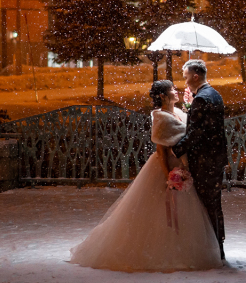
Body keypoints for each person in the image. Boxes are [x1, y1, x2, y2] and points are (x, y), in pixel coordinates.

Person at [69, 80, 222, 272]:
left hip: (182, 166)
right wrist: (169, 176)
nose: (176, 91)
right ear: (163, 96)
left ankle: (180, 249)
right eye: (172, 90)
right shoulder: (161, 118)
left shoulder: (178, 114)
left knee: (184, 213)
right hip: (166, 168)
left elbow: (189, 128)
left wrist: (190, 105)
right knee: (158, 212)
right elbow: (161, 152)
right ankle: (159, 251)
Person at [172, 59, 228, 261]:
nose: (185, 80)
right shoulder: (213, 94)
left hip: (205, 160)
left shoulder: (202, 99)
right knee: (214, 204)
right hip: (216, 158)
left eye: (186, 76)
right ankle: (217, 246)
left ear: (195, 76)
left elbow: (196, 134)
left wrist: (175, 150)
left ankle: (212, 250)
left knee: (206, 205)